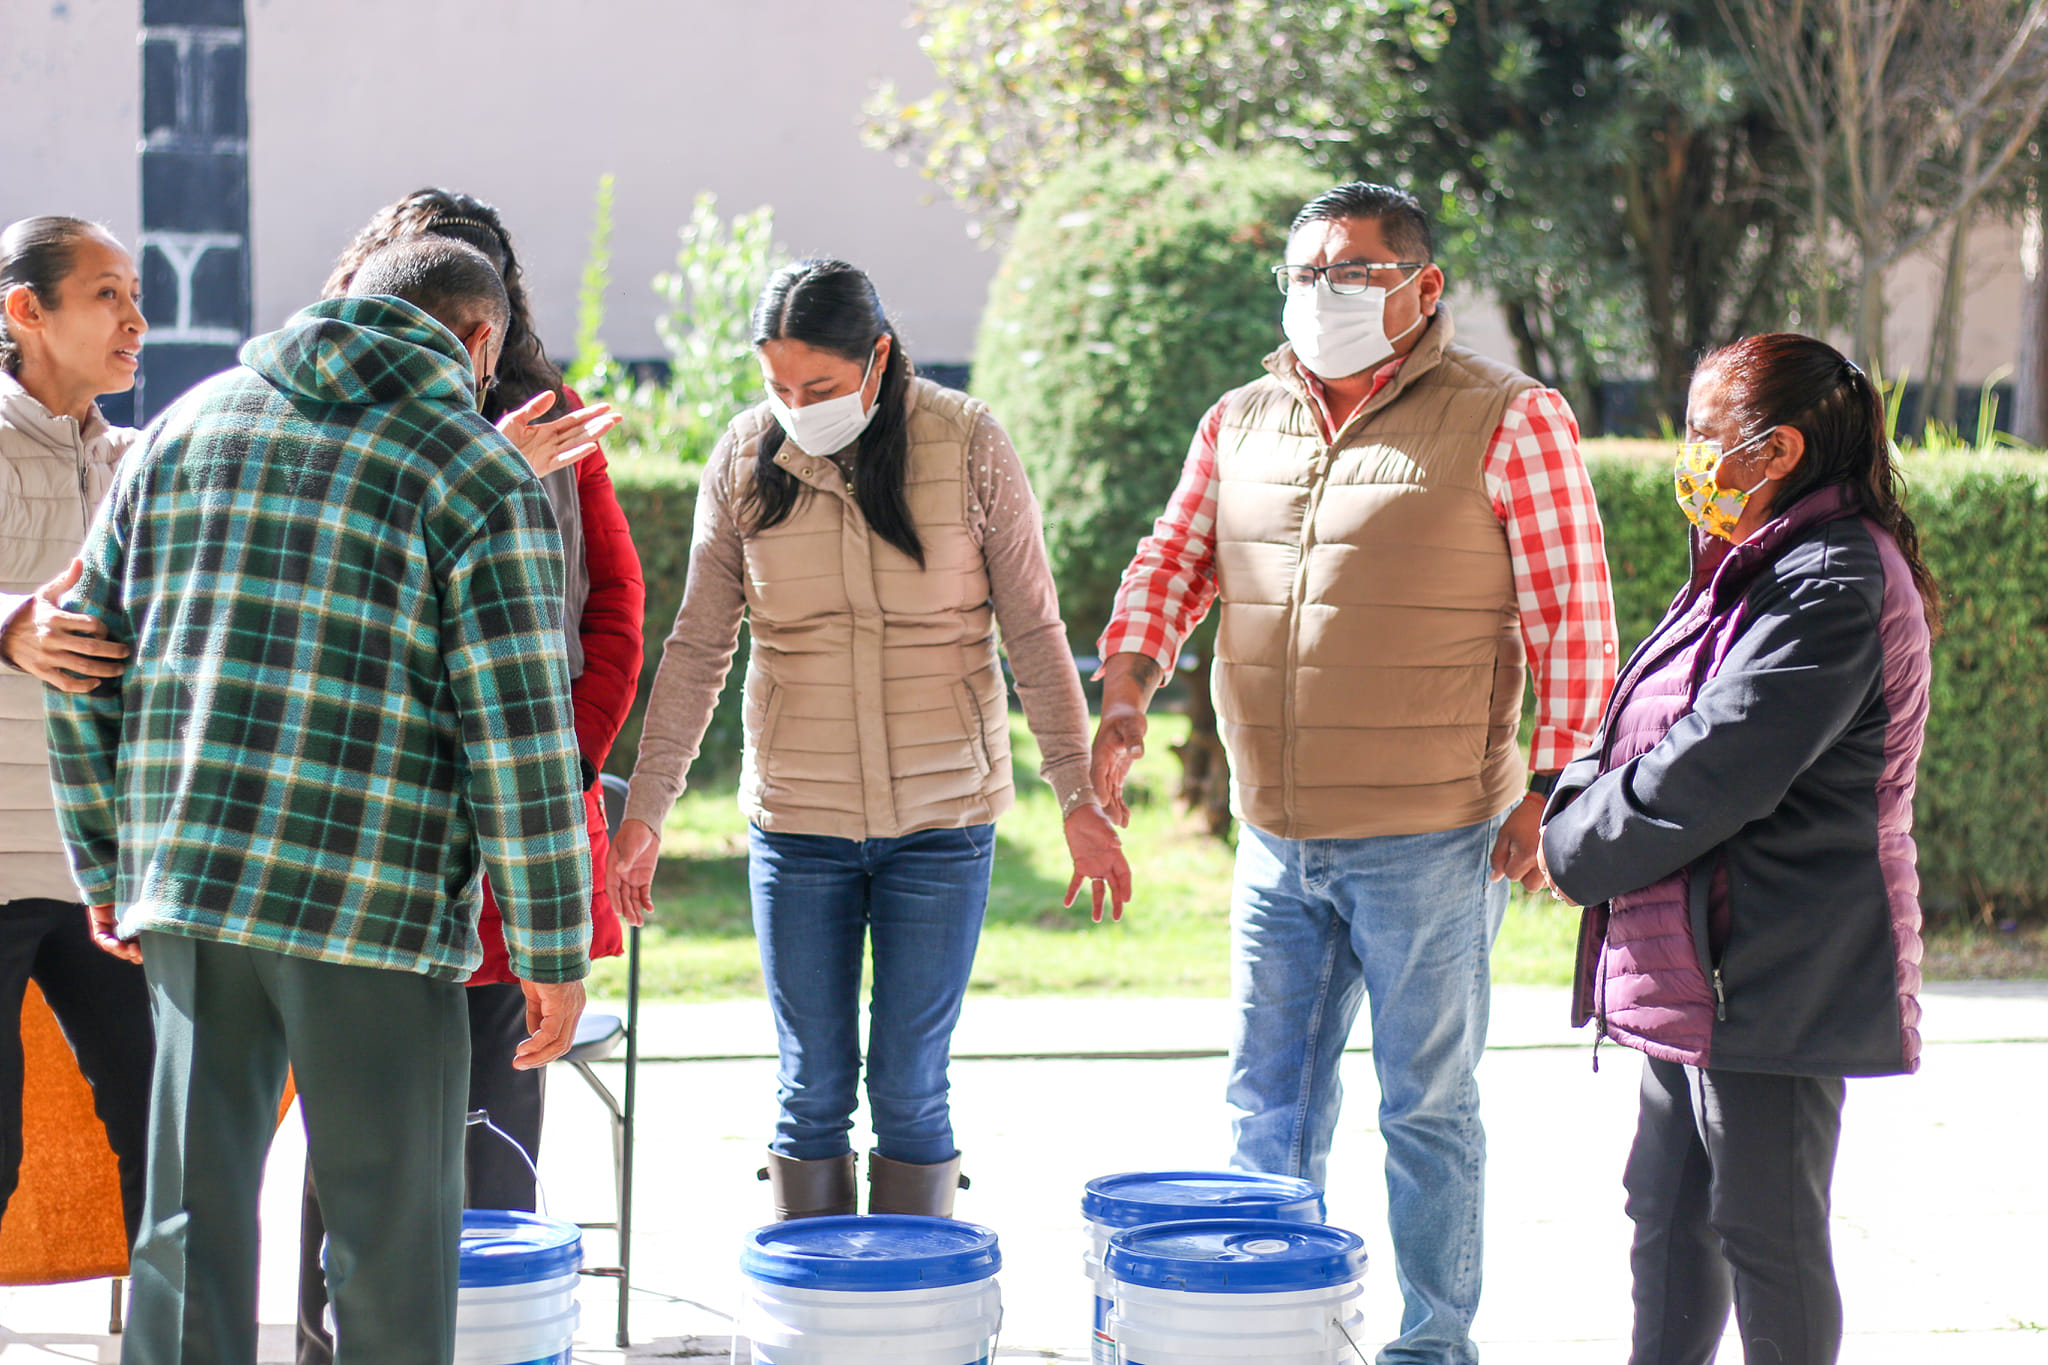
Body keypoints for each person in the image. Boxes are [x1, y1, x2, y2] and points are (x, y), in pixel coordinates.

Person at [1090, 182, 1617, 1364]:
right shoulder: (1240, 419)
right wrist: (1127, 683)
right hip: (1275, 836)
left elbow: (1573, 622)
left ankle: (1432, 1347)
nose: (1320, 294)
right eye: (1304, 272)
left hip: (1433, 841)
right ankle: (1265, 1335)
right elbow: (1172, 559)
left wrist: (1550, 793)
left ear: (1422, 289)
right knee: (1262, 1110)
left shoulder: (1510, 418)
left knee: (1424, 1111)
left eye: (1353, 272)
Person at [46, 237, 591, 1365]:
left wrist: (106, 867)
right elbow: (521, 739)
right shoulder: (473, 471)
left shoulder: (186, 427)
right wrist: (551, 946)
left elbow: (77, 658)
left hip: (190, 890)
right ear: (477, 340)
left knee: (186, 1227)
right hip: (373, 912)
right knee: (388, 1239)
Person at [610, 258, 1131, 1220]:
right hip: (798, 820)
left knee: (909, 1086)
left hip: (943, 819)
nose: (794, 406)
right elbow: (696, 647)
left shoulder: (968, 444)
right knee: (809, 1088)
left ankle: (911, 1315)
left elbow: (1035, 630)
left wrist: (1077, 797)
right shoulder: (742, 458)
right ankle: (817, 1319)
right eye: (776, 385)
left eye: (818, 385)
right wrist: (647, 810)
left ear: (879, 356)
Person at [291, 189, 643, 1364]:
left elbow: (612, 610)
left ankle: (493, 1339)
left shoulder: (553, 425)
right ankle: (327, 1341)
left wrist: (558, 759)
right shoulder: (312, 420)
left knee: (494, 1134)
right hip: (361, 853)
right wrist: (483, 469)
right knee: (354, 1151)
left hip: (503, 859)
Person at [1538, 333, 1935, 1365]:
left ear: (1777, 451)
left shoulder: (1830, 579)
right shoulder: (1747, 565)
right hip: (1702, 957)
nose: (1686, 455)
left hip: (1778, 959)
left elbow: (1715, 766)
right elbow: (1643, 721)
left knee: (1765, 1231)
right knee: (1666, 1212)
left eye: (1703, 433)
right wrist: (1565, 803)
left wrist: (1569, 848)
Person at [0, 215, 152, 1245]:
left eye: (135, 295)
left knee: (176, 1143)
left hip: (108, 873)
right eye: (107, 294)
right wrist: (11, 622)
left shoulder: (147, 459)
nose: (137, 320)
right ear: (26, 312)